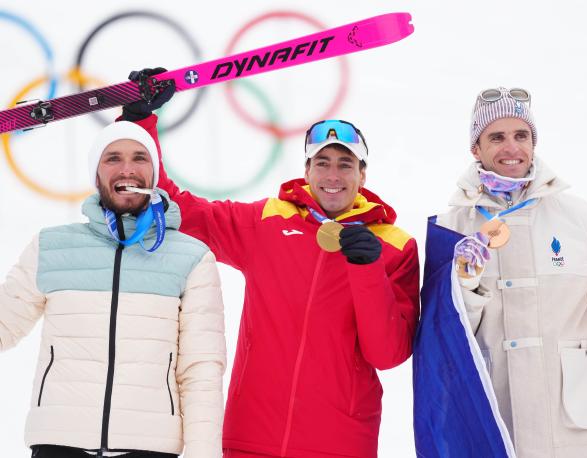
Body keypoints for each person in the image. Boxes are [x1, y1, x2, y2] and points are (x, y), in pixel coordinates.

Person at [120, 70, 420, 458]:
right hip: (250, 436)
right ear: (307, 170)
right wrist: (138, 127)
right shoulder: (268, 222)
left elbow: (388, 354)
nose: (332, 175)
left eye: (345, 165)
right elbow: (178, 207)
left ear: (362, 174)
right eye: (322, 162)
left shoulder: (395, 246)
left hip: (339, 442)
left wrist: (366, 269)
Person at [418, 86, 587, 457]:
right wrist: (465, 286)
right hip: (496, 420)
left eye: (521, 135)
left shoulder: (580, 219)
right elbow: (443, 339)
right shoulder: (451, 227)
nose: (511, 148)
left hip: (576, 430)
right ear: (476, 148)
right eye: (497, 137)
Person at [0, 120, 226, 458]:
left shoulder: (191, 258)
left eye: (139, 158)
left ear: (154, 172)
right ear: (95, 174)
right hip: (60, 442)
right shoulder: (52, 247)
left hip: (148, 447)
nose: (127, 169)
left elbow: (201, 370)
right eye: (113, 158)